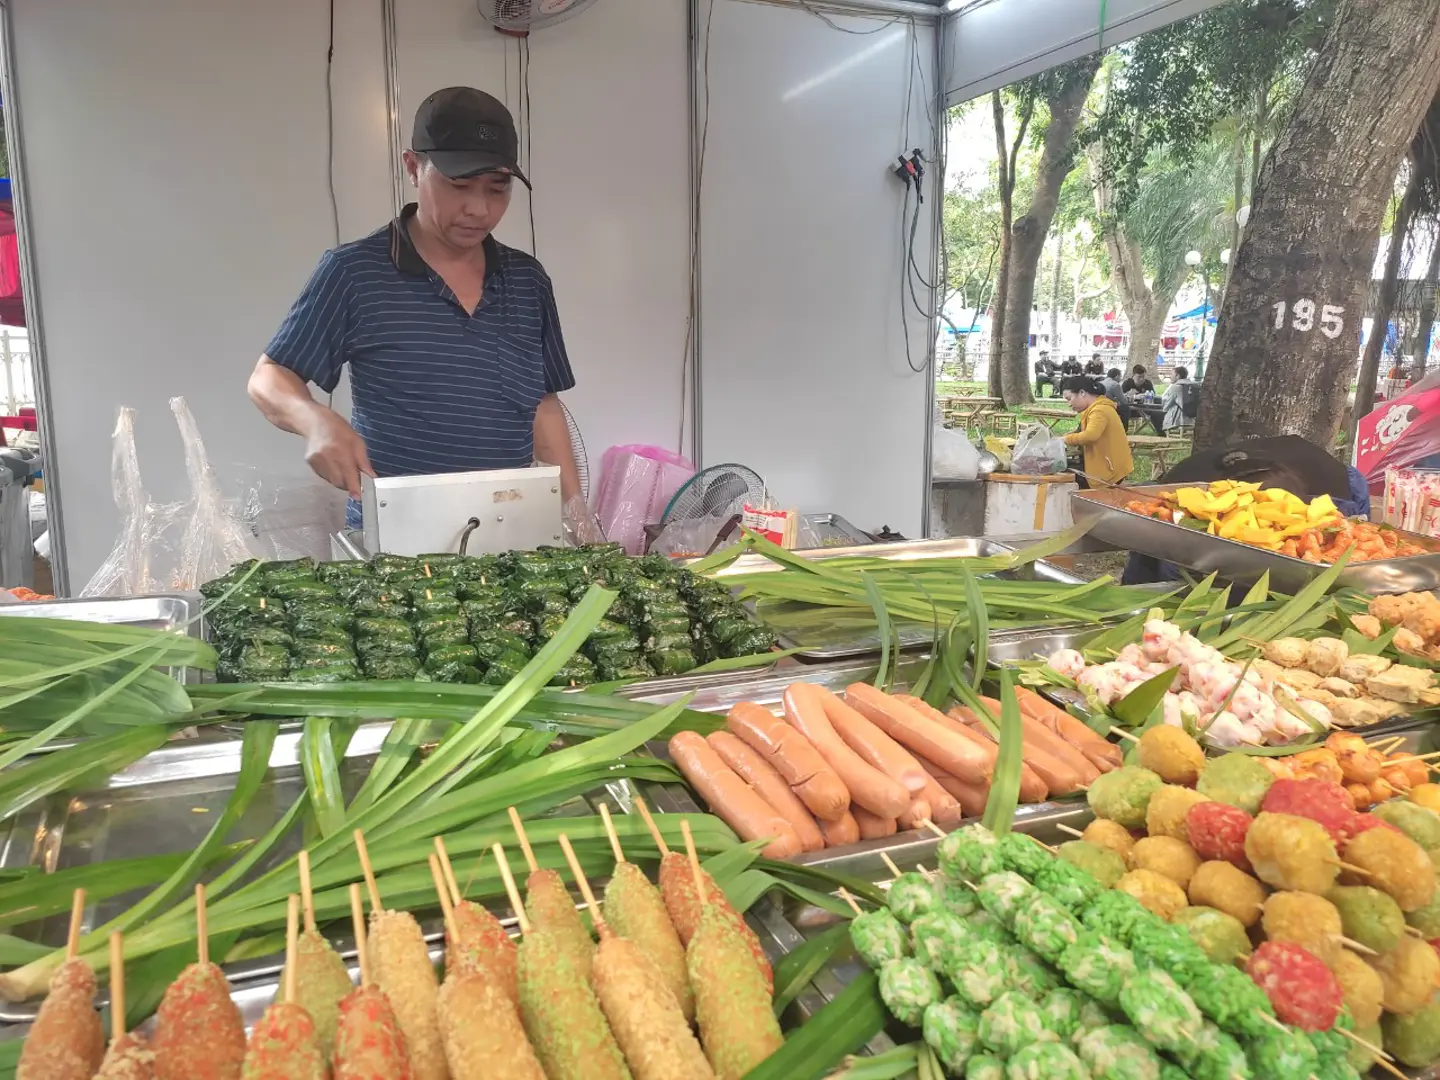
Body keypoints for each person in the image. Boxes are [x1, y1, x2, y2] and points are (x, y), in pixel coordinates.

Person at [248, 86, 582, 525]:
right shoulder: (354, 272)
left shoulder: (526, 280)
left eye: (497, 189)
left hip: (508, 531)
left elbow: (542, 405)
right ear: (413, 167)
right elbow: (269, 378)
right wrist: (314, 419)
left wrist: (579, 520)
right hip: (396, 540)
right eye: (458, 185)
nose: (478, 209)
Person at [1060, 375, 1133, 485]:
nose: (1069, 404)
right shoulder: (1093, 408)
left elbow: (1090, 435)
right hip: (1107, 463)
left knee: (1064, 478)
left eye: (1069, 398)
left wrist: (1065, 439)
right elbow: (1083, 432)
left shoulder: (1099, 410)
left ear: (1082, 393)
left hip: (1110, 468)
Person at [1161, 366, 1200, 434]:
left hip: (1178, 421)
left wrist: (1164, 406)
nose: (1170, 377)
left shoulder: (1176, 387)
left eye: (1172, 374)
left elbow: (1166, 406)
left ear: (1178, 376)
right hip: (1192, 420)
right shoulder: (1195, 385)